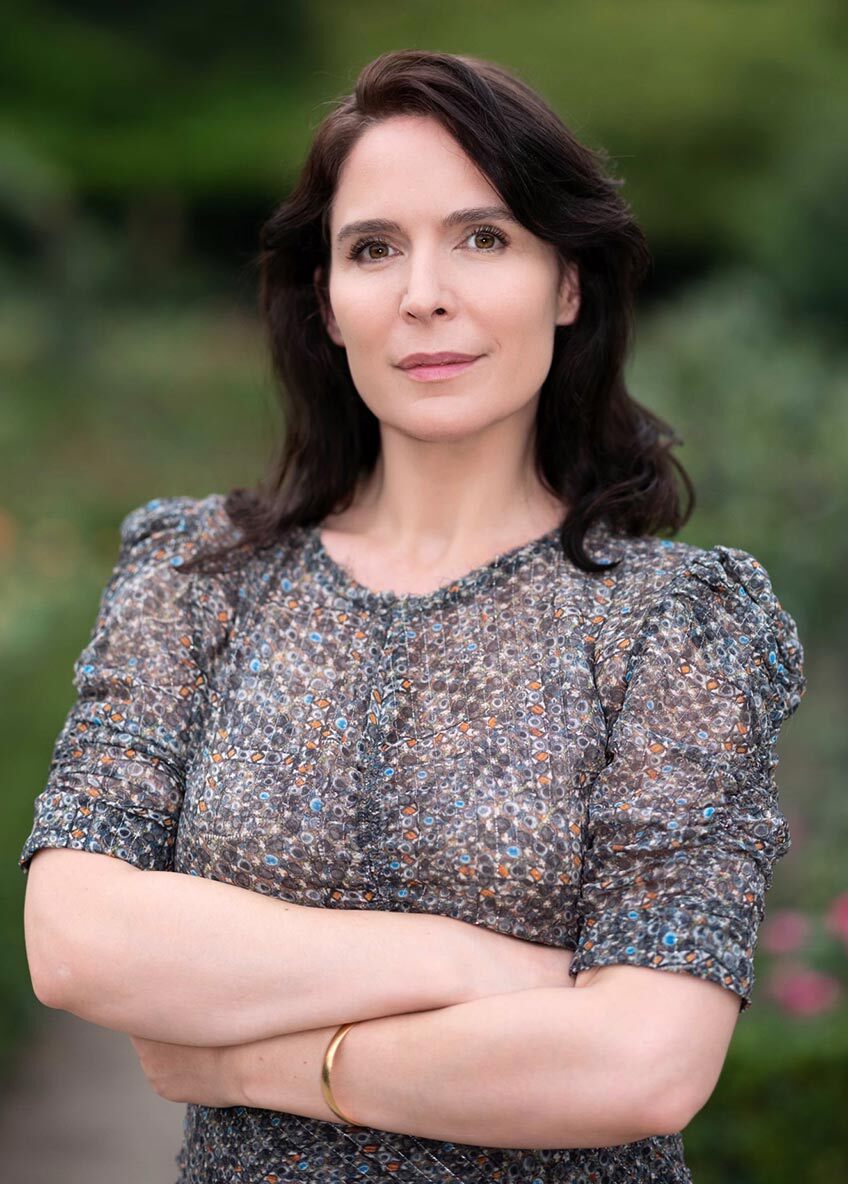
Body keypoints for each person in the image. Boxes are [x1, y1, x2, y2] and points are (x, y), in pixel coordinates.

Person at [19, 48, 807, 1184]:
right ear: (328, 305)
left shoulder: (675, 625)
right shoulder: (198, 577)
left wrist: (254, 1062)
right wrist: (469, 962)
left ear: (567, 285)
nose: (422, 292)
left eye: (482, 238)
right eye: (373, 248)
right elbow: (75, 939)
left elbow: (641, 1065)